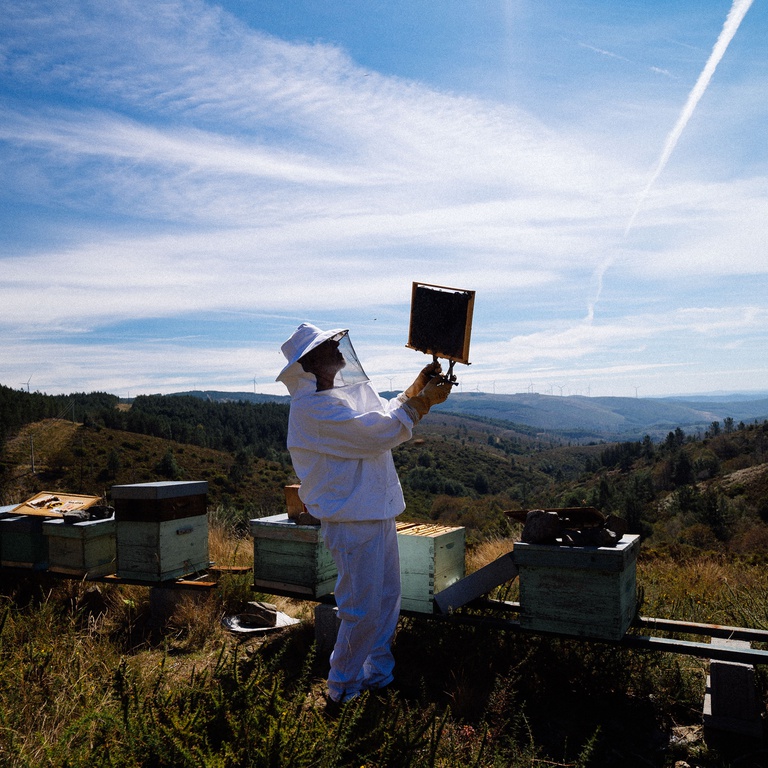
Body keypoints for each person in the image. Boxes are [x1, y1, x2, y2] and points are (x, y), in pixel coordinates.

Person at [276, 323, 452, 712]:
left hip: (373, 510)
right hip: (352, 518)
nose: (338, 347)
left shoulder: (343, 393)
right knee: (362, 607)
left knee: (386, 601)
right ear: (310, 361)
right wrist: (422, 404)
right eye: (327, 345)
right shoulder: (313, 409)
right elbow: (377, 433)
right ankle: (341, 691)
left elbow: (380, 414)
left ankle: (377, 677)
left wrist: (414, 389)